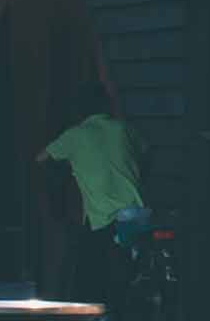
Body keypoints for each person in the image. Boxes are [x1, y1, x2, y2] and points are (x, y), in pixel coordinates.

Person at [44, 82, 155, 301]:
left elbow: (40, 159)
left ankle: (103, 319)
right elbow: (147, 153)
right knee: (135, 265)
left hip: (102, 217)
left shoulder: (75, 136)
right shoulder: (123, 128)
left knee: (92, 272)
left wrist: (69, 169)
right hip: (136, 211)